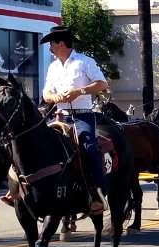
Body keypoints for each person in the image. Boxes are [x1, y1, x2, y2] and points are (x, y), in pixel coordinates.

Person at [40, 26, 108, 215]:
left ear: (61, 43)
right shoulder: (53, 67)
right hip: (59, 115)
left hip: (82, 115)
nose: (50, 48)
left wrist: (79, 91)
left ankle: (98, 193)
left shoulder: (85, 62)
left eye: (51, 43)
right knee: (37, 144)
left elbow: (102, 84)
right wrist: (54, 98)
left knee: (89, 147)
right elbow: (46, 93)